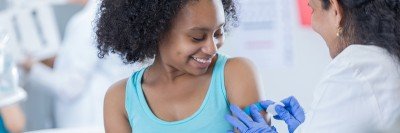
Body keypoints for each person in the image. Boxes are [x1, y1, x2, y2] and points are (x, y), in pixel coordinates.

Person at [226, 0, 400, 132]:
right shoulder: (384, 58)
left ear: (335, 10)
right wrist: (307, 127)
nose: (313, 24)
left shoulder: (355, 68)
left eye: (312, 9)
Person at [97, 0, 265, 132]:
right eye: (198, 37)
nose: (212, 48)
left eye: (218, 33)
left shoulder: (235, 75)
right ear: (157, 32)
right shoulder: (120, 99)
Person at [20, 0, 136, 128]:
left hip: (86, 121)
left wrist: (31, 68)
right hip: (103, 118)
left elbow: (70, 87)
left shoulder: (88, 22)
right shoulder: (107, 15)